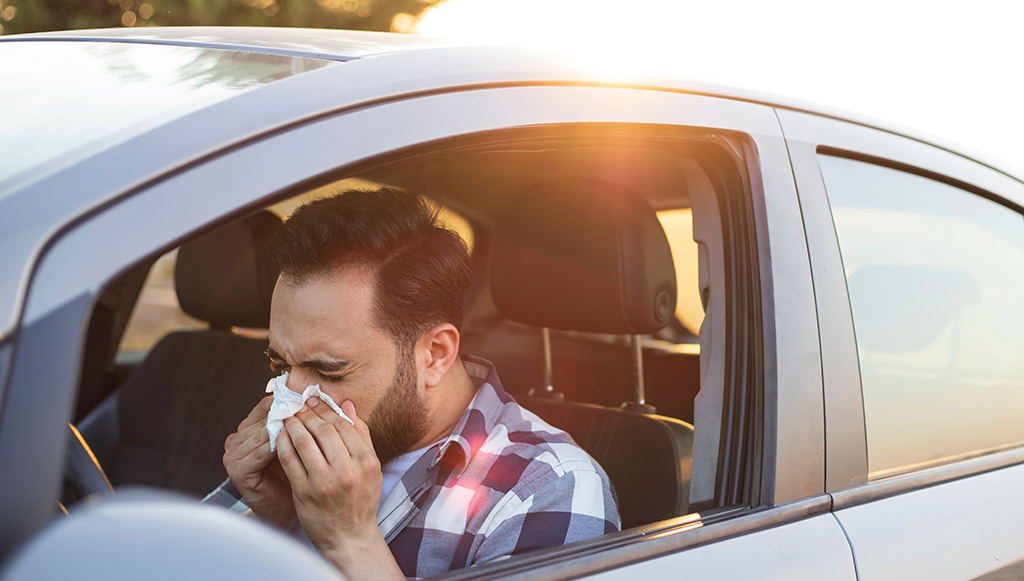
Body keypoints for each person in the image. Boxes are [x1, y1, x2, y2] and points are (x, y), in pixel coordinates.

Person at [203, 188, 619, 580]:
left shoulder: (549, 488)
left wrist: (350, 543)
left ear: (434, 354)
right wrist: (272, 524)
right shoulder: (284, 456)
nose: (292, 400)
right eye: (279, 363)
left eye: (330, 372)